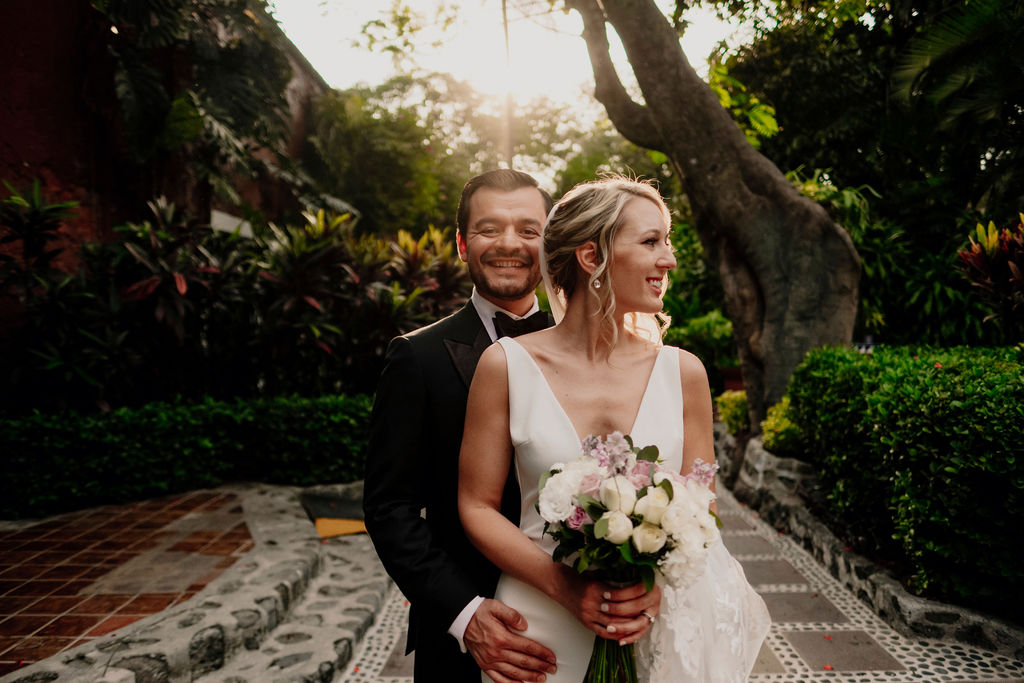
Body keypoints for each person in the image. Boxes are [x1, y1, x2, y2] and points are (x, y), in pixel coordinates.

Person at [459, 176, 771, 681]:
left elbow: (701, 505)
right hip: (537, 624)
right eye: (651, 242)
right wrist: (565, 587)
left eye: (667, 242)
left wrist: (658, 586)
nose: (668, 260)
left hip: (650, 620)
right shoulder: (505, 365)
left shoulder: (684, 372)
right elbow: (475, 504)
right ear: (591, 257)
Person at [365, 169, 574, 683]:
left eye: (529, 230)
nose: (510, 244)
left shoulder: (586, 349)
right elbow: (390, 507)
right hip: (464, 643)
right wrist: (465, 614)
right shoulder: (416, 357)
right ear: (462, 243)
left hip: (576, 619)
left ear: (550, 245)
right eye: (489, 229)